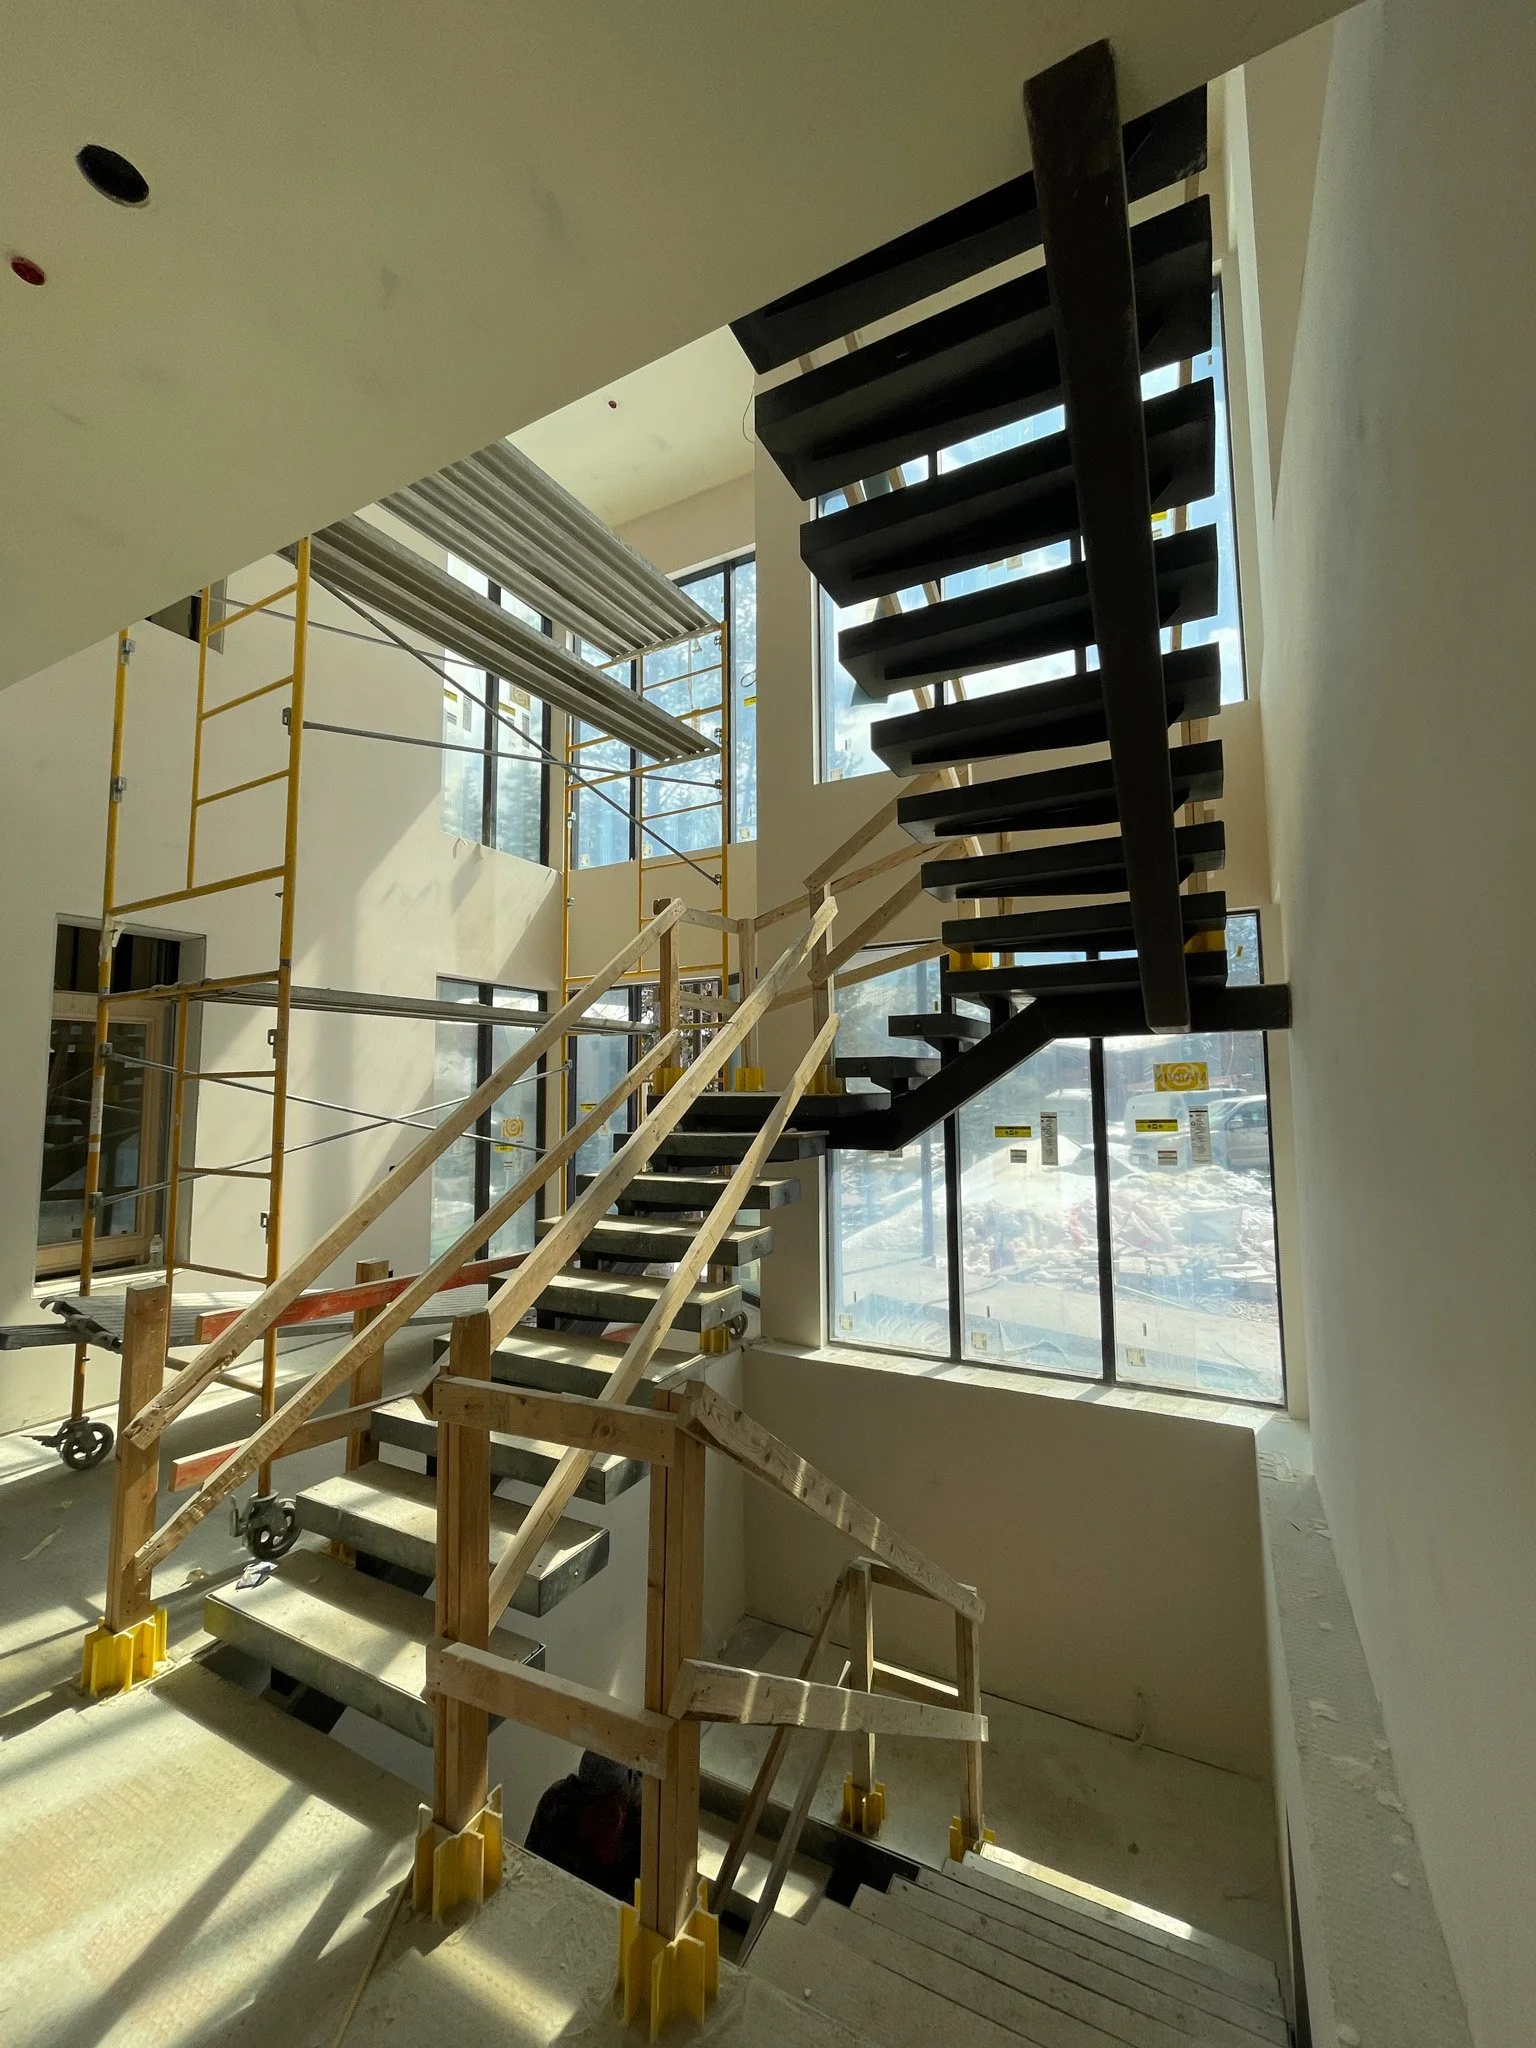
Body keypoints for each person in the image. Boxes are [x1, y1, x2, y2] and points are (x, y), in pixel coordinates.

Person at [525, 1749, 642, 1901]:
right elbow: (530, 1877)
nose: (602, 1817)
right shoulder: (556, 1809)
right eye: (594, 1806)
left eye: (608, 1807)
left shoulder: (648, 1829)